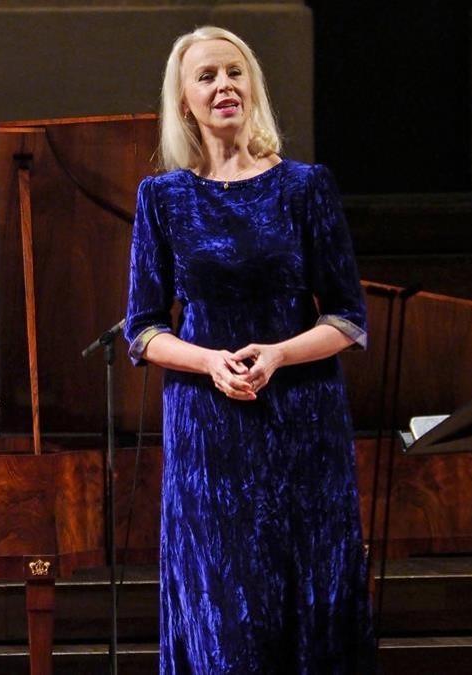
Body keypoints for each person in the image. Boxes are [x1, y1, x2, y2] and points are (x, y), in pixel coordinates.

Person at [124, 26, 375, 674]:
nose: (224, 86)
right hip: (210, 437)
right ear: (183, 100)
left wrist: (280, 354)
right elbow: (143, 329)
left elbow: (348, 316)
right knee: (226, 625)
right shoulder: (163, 197)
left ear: (253, 86)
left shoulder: (305, 187)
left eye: (235, 73)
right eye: (206, 76)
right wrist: (210, 360)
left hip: (302, 421)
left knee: (309, 610)